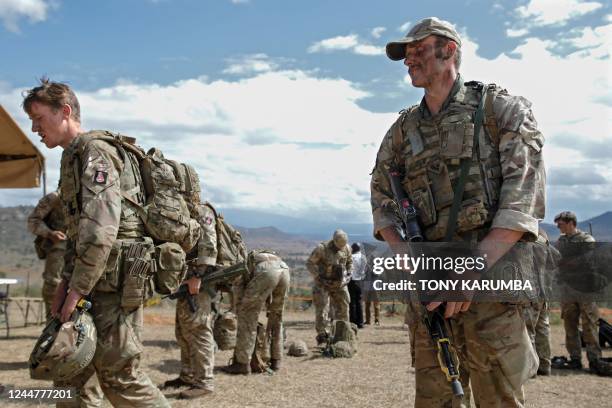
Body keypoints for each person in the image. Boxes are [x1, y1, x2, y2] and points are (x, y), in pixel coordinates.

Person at [370, 17, 545, 407]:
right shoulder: (401, 132)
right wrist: (414, 264)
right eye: (406, 54)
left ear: (448, 50)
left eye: (417, 50)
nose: (408, 61)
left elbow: (523, 200)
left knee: (497, 399)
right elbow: (382, 202)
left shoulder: (501, 111)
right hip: (431, 292)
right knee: (436, 400)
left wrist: (472, 271)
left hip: (492, 289)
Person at [23, 78, 169, 407]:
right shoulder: (71, 156)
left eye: (39, 119)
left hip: (113, 285)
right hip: (90, 281)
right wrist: (66, 282)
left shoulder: (95, 152)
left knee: (120, 377)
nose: (35, 128)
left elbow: (101, 228)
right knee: (69, 372)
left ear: (65, 112)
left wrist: (75, 290)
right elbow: (78, 230)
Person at [160, 185, 218, 399]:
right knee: (183, 330)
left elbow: (209, 244)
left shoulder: (202, 211)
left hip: (200, 280)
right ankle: (187, 375)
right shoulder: (182, 211)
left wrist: (199, 275)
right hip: (186, 278)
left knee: (199, 330)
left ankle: (204, 382)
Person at [222, 250, 290, 374]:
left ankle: (242, 364)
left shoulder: (238, 271)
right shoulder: (251, 259)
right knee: (277, 317)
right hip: (283, 268)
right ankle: (276, 360)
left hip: (265, 270)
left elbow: (239, 302)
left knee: (247, 317)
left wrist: (238, 311)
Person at [554, 211, 601, 371]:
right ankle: (575, 358)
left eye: (560, 224)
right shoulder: (561, 241)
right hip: (568, 288)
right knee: (570, 324)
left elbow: (586, 259)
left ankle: (595, 359)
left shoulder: (586, 239)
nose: (558, 227)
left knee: (589, 324)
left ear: (570, 223)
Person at [306, 229, 353, 344]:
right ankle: (323, 335)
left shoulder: (347, 248)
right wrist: (318, 277)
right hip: (323, 283)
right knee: (322, 310)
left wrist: (349, 274)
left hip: (339, 284)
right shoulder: (322, 249)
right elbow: (310, 263)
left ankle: (343, 333)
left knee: (344, 306)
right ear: (334, 240)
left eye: (343, 245)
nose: (340, 248)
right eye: (339, 245)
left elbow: (350, 263)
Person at [27, 191, 67, 321]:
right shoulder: (55, 198)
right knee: (53, 288)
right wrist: (50, 233)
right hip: (59, 250)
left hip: (86, 249)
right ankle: (52, 325)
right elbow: (33, 221)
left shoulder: (91, 195)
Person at [348, 243, 366, 328]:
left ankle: (353, 322)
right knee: (359, 302)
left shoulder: (351, 257)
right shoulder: (363, 257)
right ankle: (360, 322)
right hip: (360, 281)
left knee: (352, 302)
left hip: (352, 281)